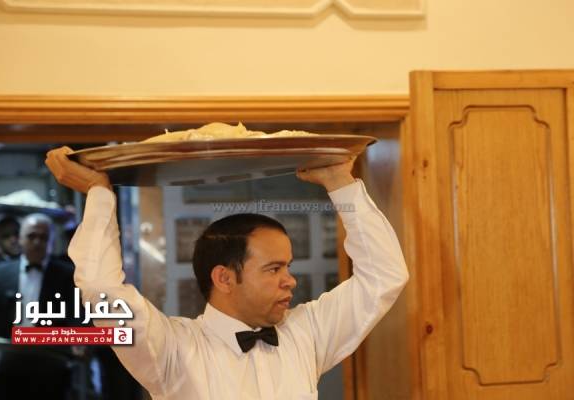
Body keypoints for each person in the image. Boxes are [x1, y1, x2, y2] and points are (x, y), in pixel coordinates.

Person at [45, 145, 409, 399]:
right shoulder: (172, 349)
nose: (290, 280)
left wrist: (340, 183)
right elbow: (101, 289)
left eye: (288, 266)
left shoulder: (307, 332)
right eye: (273, 268)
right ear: (224, 278)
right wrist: (99, 193)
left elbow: (385, 275)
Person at [0, 213, 80, 338]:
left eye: (43, 237)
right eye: (31, 236)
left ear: (52, 241)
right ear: (20, 239)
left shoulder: (67, 274)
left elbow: (77, 315)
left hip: (50, 347)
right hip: (7, 347)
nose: (37, 242)